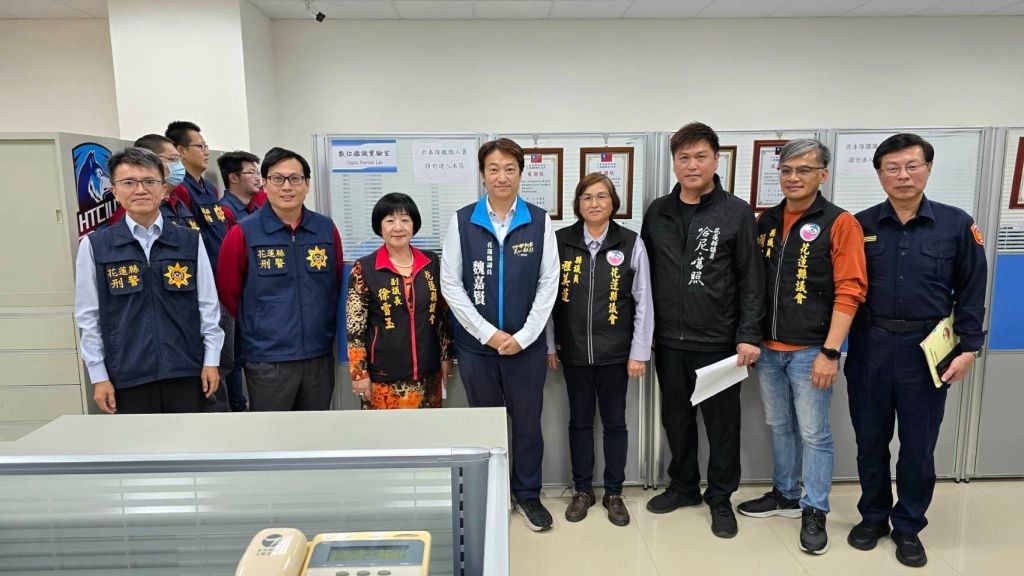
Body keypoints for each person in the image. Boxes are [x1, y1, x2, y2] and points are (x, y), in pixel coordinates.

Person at [845, 133, 987, 567]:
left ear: (928, 168)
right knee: (870, 441)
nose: (903, 175)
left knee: (918, 447)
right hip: (870, 348)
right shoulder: (859, 225)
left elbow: (972, 289)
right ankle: (873, 517)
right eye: (892, 168)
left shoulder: (956, 225)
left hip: (927, 352)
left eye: (912, 166)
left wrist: (970, 348)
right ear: (879, 174)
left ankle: (908, 525)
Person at [737, 139, 867, 555]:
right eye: (787, 170)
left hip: (812, 349)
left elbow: (850, 291)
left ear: (822, 174)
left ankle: (815, 508)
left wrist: (831, 352)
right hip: (768, 349)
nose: (793, 178)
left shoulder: (840, 223)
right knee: (779, 425)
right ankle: (785, 494)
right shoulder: (767, 221)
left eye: (804, 170)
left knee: (814, 433)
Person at [640, 122, 764, 538]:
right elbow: (644, 277)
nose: (692, 165)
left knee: (722, 424)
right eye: (684, 158)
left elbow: (751, 279)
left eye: (700, 157)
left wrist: (748, 334)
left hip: (719, 342)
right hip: (668, 341)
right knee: (676, 419)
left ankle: (721, 497)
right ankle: (684, 486)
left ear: (716, 160)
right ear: (674, 163)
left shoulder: (736, 212)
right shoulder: (658, 211)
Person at [440, 138, 559, 532]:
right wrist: (488, 334)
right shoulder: (462, 221)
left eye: (510, 168)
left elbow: (549, 283)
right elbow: (450, 284)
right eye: (493, 169)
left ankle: (527, 495)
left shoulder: (540, 221)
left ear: (521, 173)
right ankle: (491, 494)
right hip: (477, 349)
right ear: (482, 174)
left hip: (526, 348)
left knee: (527, 424)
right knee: (485, 425)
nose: (502, 176)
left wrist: (524, 336)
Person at [74, 147, 222, 414]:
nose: (140, 190)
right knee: (137, 441)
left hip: (186, 370)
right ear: (115, 191)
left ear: (163, 189)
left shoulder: (189, 240)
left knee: (190, 438)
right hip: (128, 375)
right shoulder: (96, 246)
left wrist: (211, 360)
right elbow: (89, 317)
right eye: (129, 182)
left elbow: (208, 306)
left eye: (149, 182)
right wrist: (98, 375)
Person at [546, 173, 653, 527]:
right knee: (579, 423)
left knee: (615, 424)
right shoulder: (560, 242)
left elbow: (643, 301)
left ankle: (614, 492)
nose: (594, 203)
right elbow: (546, 299)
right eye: (587, 197)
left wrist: (638, 352)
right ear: (578, 204)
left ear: (613, 203)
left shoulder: (631, 243)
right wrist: (549, 344)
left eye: (602, 196)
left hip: (616, 355)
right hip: (573, 352)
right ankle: (582, 490)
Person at [217, 147, 344, 411]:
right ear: (265, 184)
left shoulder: (325, 229)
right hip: (268, 359)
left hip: (318, 355)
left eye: (295, 179)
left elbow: (336, 282)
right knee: (272, 431)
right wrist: (261, 324)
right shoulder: (244, 232)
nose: (287, 187)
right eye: (277, 179)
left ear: (307, 184)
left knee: (317, 430)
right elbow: (229, 292)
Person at [346, 193, 453, 409]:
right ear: (380, 227)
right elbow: (355, 328)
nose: (398, 227)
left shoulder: (431, 262)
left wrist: (445, 356)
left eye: (405, 220)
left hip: (428, 375)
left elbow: (441, 316)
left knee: (428, 430)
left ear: (414, 225)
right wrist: (359, 373)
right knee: (386, 431)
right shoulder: (364, 268)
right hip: (383, 380)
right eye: (390, 220)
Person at [216, 150, 265, 412]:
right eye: (252, 172)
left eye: (258, 172)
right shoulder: (224, 212)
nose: (258, 178)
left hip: (258, 299)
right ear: (233, 178)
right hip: (237, 302)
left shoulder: (258, 208)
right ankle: (237, 408)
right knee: (234, 360)